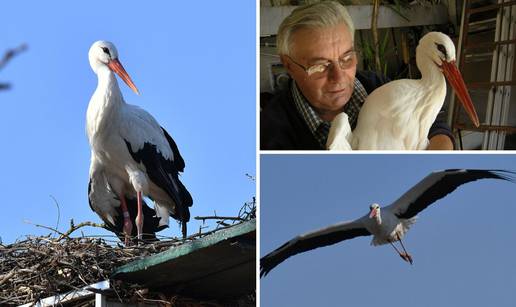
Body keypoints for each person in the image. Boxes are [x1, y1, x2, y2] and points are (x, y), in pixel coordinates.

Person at [260, 1, 454, 150]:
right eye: (319, 65)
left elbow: (436, 127)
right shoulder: (270, 134)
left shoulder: (378, 85)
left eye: (346, 58)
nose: (338, 77)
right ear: (289, 66)